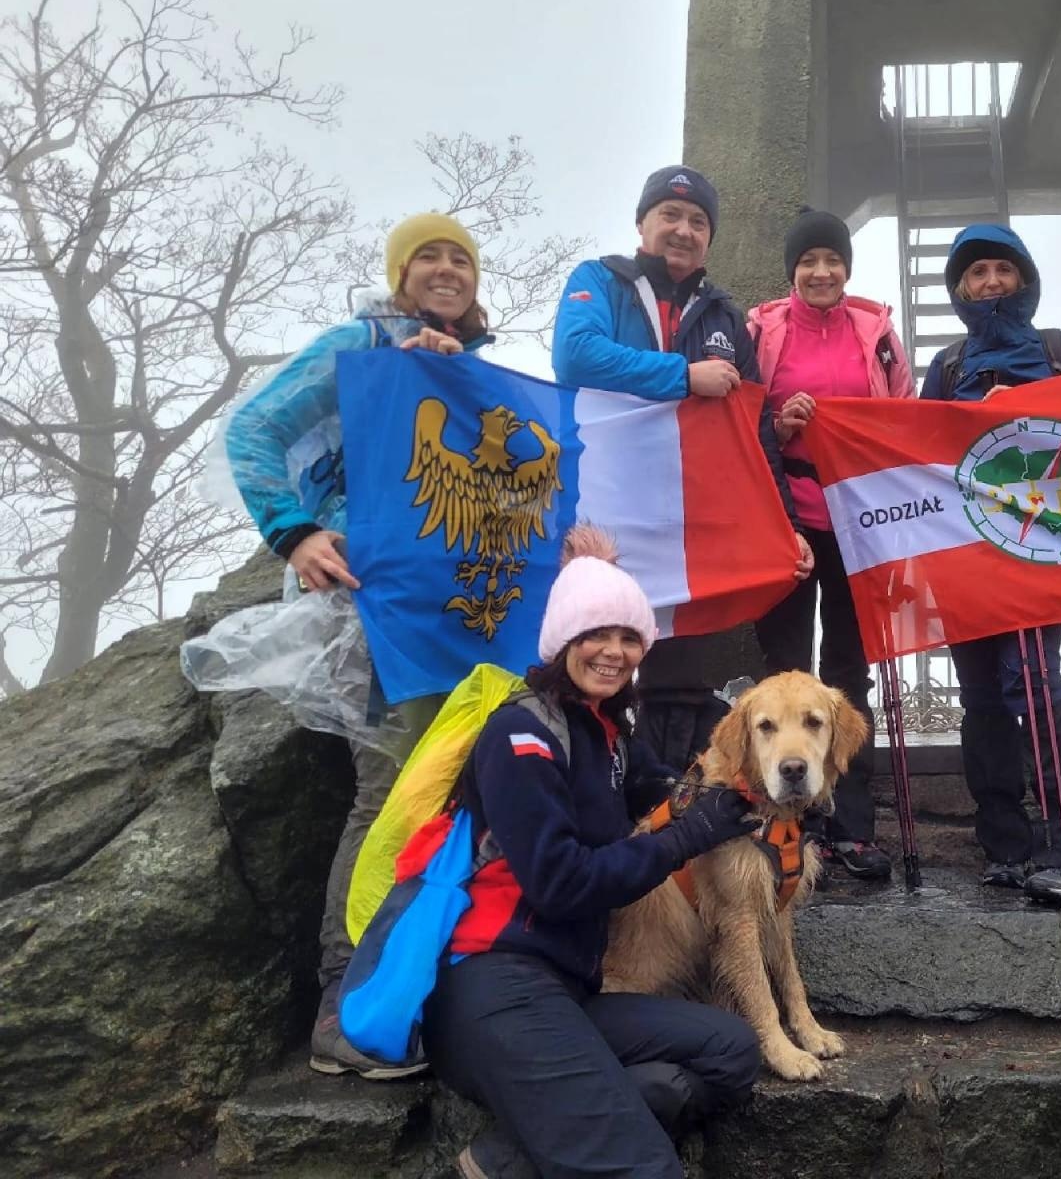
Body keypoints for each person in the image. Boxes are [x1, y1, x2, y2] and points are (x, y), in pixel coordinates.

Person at [224, 212, 490, 1078]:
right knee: (389, 801)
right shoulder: (362, 343)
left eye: (461, 258)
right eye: (429, 257)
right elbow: (253, 428)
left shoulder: (477, 368)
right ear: (401, 273)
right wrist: (294, 534)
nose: (446, 270)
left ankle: (418, 994)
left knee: (456, 802)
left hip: (464, 616)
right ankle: (345, 1010)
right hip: (377, 613)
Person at [423, 524, 762, 1179]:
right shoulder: (522, 734)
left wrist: (738, 792)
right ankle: (597, 1137)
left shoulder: (605, 734)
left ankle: (504, 1160)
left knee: (730, 1052)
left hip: (565, 991)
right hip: (493, 990)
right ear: (562, 643)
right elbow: (559, 883)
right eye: (594, 635)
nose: (613, 651)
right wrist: (686, 837)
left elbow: (662, 786)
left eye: (629, 636)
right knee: (646, 1169)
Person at [551, 165, 813, 773]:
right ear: (641, 223)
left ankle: (667, 829)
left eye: (698, 222)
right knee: (597, 672)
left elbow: (753, 435)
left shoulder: (723, 316)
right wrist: (681, 378)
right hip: (603, 523)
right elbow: (575, 355)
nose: (683, 230)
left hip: (689, 532)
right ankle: (599, 828)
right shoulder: (600, 281)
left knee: (679, 685)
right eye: (669, 215)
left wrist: (785, 527)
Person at [919, 224, 1061, 906]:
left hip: (1039, 549)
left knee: (1031, 686)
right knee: (981, 699)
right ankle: (1004, 844)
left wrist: (1026, 412)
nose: (990, 282)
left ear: (1023, 279)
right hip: (966, 556)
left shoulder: (1060, 349)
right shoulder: (948, 364)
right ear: (960, 290)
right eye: (976, 274)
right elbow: (916, 452)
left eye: (1002, 268)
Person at [744, 208, 913, 882]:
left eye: (832, 261)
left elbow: (904, 418)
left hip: (858, 522)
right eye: (808, 262)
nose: (821, 272)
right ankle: (782, 821)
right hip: (784, 517)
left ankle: (850, 826)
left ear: (847, 268)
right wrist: (779, 428)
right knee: (784, 669)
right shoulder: (764, 331)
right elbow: (741, 424)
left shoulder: (877, 334)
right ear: (792, 272)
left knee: (850, 673)